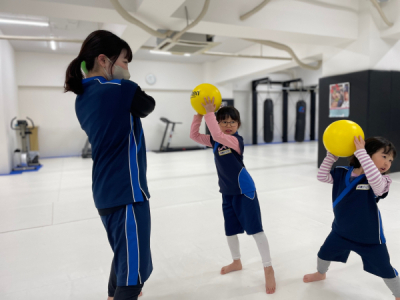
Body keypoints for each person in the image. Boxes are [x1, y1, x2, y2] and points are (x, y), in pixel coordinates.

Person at [64, 30, 155, 300]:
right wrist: (125, 80)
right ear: (104, 60)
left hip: (106, 193)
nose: (127, 69)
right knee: (132, 276)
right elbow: (147, 105)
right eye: (125, 62)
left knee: (123, 256)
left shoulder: (82, 98)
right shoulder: (120, 89)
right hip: (126, 192)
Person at [189, 97, 276, 294]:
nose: (228, 125)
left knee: (256, 230)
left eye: (232, 122)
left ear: (238, 125)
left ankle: (268, 267)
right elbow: (194, 135)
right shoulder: (214, 140)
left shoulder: (236, 141)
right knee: (230, 231)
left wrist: (211, 114)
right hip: (227, 192)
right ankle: (236, 262)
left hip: (244, 191)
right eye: (224, 121)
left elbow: (218, 135)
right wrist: (199, 114)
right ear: (218, 122)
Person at [304, 136, 400, 299]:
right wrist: (330, 157)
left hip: (370, 237)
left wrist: (362, 154)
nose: (387, 163)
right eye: (384, 157)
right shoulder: (342, 172)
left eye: (390, 160)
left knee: (385, 268)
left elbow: (375, 183)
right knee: (323, 254)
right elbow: (322, 176)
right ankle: (321, 273)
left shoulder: (383, 181)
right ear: (369, 152)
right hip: (341, 232)